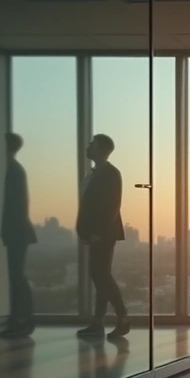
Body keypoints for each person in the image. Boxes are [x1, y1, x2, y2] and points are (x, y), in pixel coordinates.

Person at [76, 133, 129, 339]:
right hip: (96, 234)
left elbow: (111, 206)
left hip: (103, 235)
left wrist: (98, 233)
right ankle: (99, 322)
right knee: (100, 277)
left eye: (92, 144)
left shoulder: (110, 173)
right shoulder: (96, 174)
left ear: (101, 150)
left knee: (102, 276)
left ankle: (122, 317)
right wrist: (85, 231)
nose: (88, 147)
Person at [0, 132, 37, 339]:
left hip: (16, 232)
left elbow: (14, 206)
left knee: (17, 277)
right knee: (16, 276)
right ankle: (20, 320)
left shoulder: (13, 170)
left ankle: (22, 320)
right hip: (16, 231)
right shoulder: (13, 169)